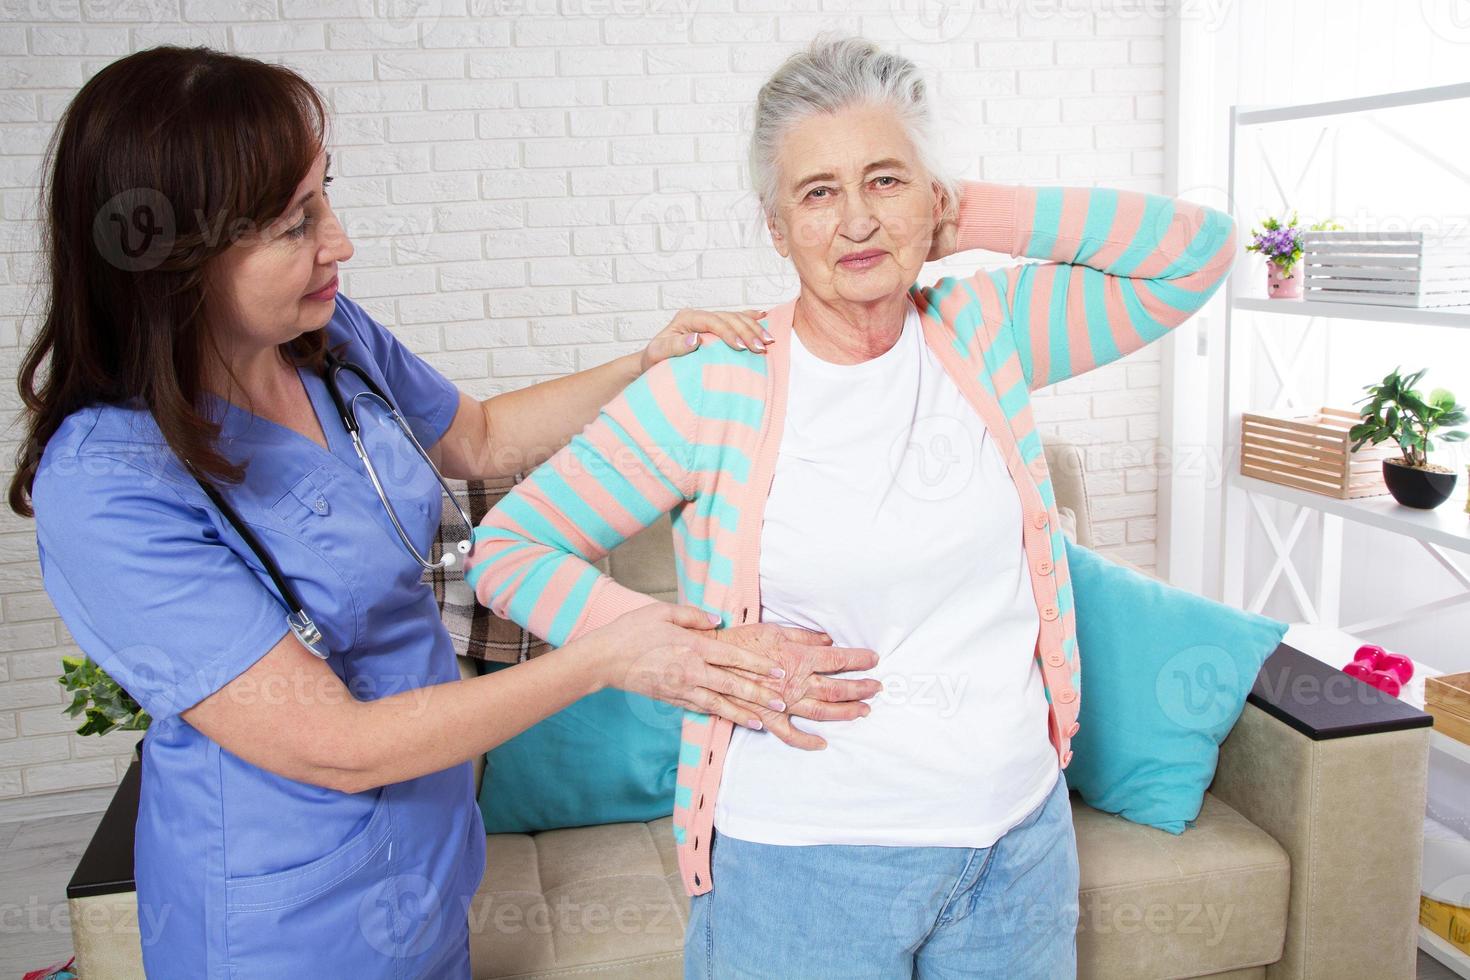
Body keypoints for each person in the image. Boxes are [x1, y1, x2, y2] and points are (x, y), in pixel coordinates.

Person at [13, 46, 878, 977]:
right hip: (279, 923)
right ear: (175, 257)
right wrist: (608, 657)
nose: (337, 241)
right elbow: (336, 748)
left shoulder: (324, 336)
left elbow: (481, 437)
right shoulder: (109, 484)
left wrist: (647, 361)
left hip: (426, 865)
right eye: (293, 222)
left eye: (325, 194)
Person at [464, 34, 1238, 979]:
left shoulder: (987, 333)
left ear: (932, 197)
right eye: (819, 192)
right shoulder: (712, 386)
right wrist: (688, 654)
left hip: (1018, 847)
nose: (857, 221)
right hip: (801, 868)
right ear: (776, 226)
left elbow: (1194, 256)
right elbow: (507, 547)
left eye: (887, 180)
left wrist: (972, 215)